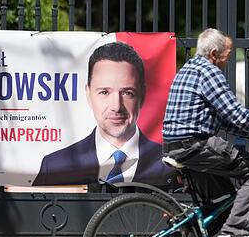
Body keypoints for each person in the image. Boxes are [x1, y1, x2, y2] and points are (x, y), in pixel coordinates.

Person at [162, 28, 249, 237]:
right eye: (228, 54)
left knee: (224, 202)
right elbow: (235, 113)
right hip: (196, 144)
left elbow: (223, 120)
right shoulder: (209, 72)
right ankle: (234, 233)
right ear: (214, 53)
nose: (228, 59)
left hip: (178, 145)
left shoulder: (188, 68)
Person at [33, 41, 175, 187]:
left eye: (127, 93)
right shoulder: (55, 165)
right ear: (88, 94)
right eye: (104, 92)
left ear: (143, 95)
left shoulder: (170, 166)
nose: (116, 106)